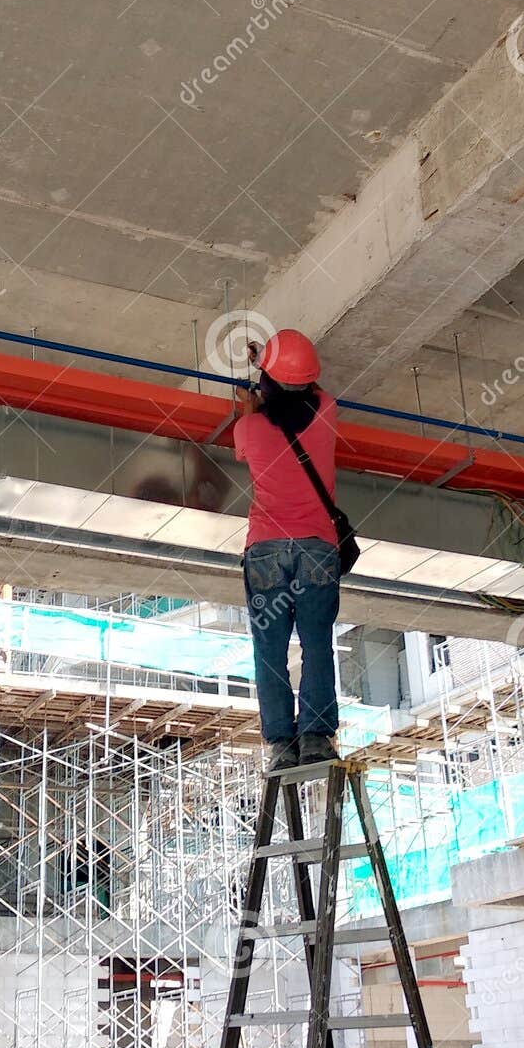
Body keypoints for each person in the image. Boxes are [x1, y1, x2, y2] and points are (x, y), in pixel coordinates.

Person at [232, 329, 341, 774]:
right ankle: (315, 737)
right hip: (318, 547)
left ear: (268, 387)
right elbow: (309, 393)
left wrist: (255, 394)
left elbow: (264, 419)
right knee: (316, 643)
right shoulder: (329, 413)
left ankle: (281, 744)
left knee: (270, 649)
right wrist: (271, 367)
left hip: (266, 551)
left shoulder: (248, 428)